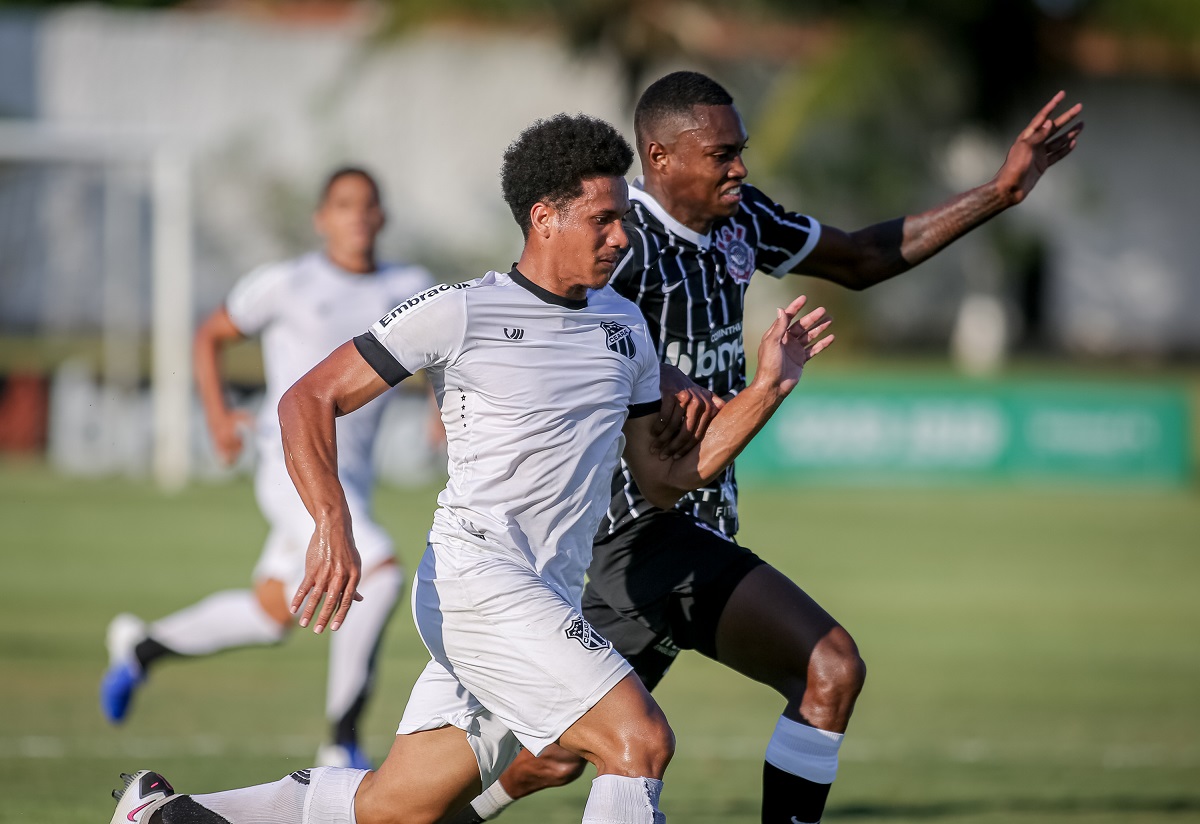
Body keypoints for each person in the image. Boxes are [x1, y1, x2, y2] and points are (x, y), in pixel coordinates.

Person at [108, 113, 834, 824]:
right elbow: (309, 398)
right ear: (545, 217)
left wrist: (768, 386)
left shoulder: (623, 323)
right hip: (479, 581)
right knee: (637, 740)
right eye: (604, 220)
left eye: (624, 220)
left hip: (546, 592)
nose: (622, 237)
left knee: (396, 807)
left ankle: (165, 815)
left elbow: (665, 478)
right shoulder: (460, 312)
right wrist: (331, 522)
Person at [454, 71, 1085, 824]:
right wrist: (665, 374)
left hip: (693, 521)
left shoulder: (740, 220)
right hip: (636, 525)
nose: (739, 169)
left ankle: (430, 814)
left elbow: (859, 257)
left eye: (740, 151)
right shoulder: (620, 243)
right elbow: (549, 324)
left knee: (554, 755)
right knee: (829, 666)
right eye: (721, 154)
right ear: (660, 156)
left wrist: (1002, 192)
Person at [99, 167, 436, 770]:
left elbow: (437, 354)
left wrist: (440, 411)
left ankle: (140, 649)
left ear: (382, 217)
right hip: (290, 467)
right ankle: (341, 742)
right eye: (343, 205)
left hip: (351, 477)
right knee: (378, 570)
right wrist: (218, 413)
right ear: (321, 219)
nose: (357, 215)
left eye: (368, 205)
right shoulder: (287, 284)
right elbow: (211, 334)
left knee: (274, 611)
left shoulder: (408, 285)